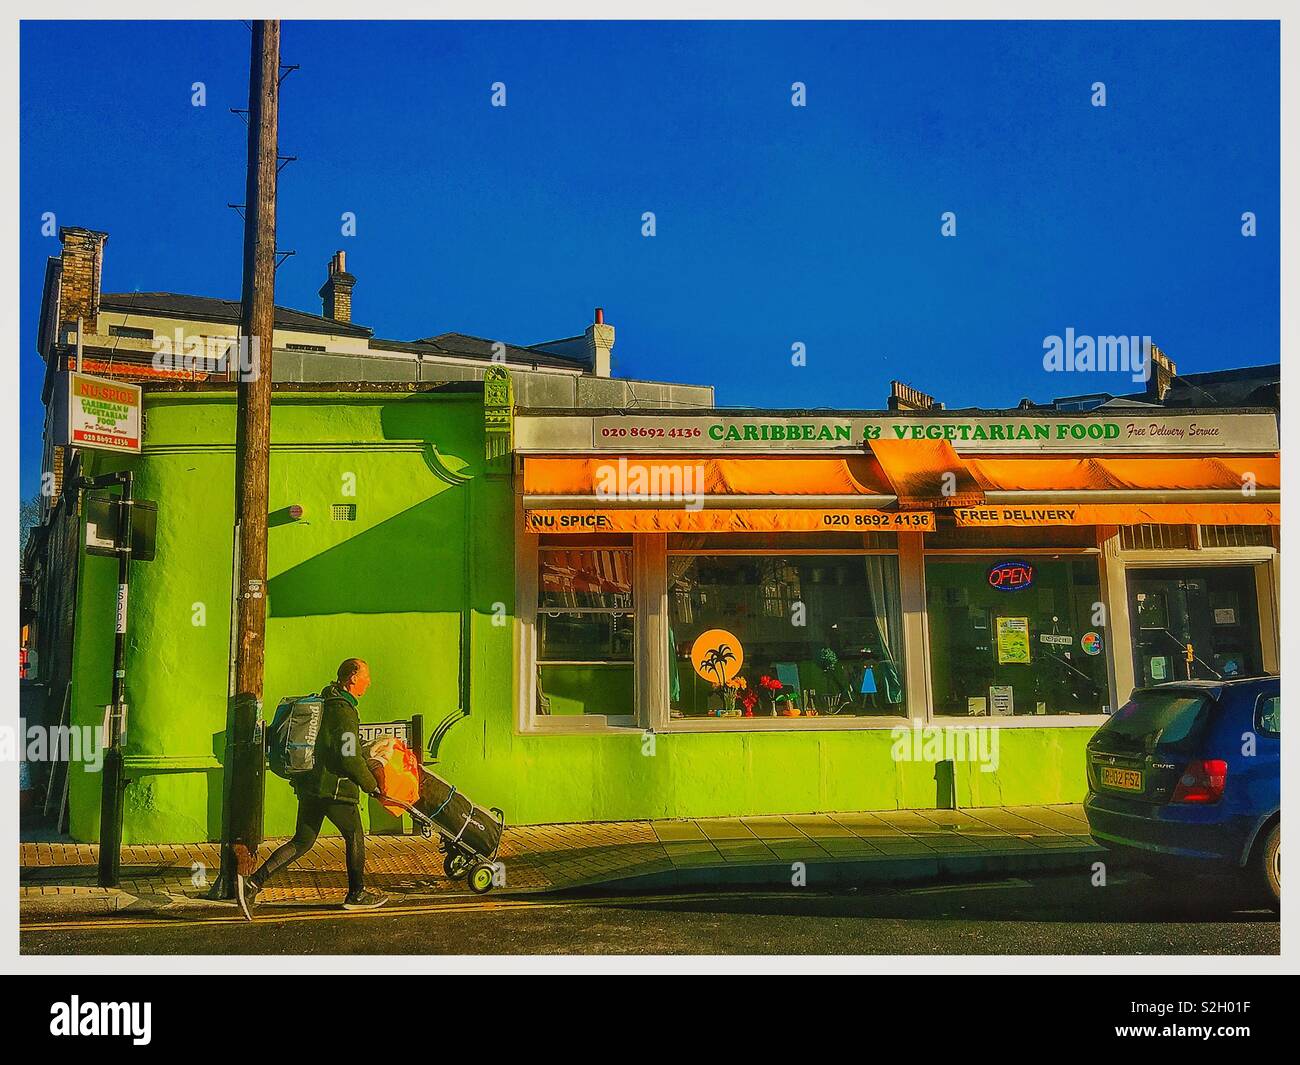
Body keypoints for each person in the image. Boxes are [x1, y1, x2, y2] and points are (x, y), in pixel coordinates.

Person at [244, 659, 388, 911]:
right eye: (366, 675)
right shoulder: (343, 709)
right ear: (352, 677)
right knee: (354, 835)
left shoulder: (327, 702)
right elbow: (348, 754)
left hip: (311, 787)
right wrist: (370, 784)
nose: (369, 681)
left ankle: (253, 883)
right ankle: (356, 894)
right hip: (335, 790)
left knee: (302, 842)